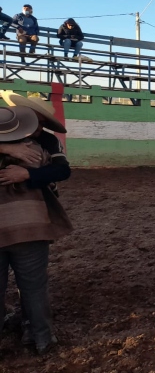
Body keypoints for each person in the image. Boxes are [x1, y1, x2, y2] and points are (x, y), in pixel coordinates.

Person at [0, 92, 73, 355]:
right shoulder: (40, 145)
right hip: (30, 221)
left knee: (31, 284)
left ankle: (37, 330)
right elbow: (59, 171)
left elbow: (62, 171)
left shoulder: (45, 141)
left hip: (28, 223)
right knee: (33, 284)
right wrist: (7, 149)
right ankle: (40, 335)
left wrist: (27, 173)